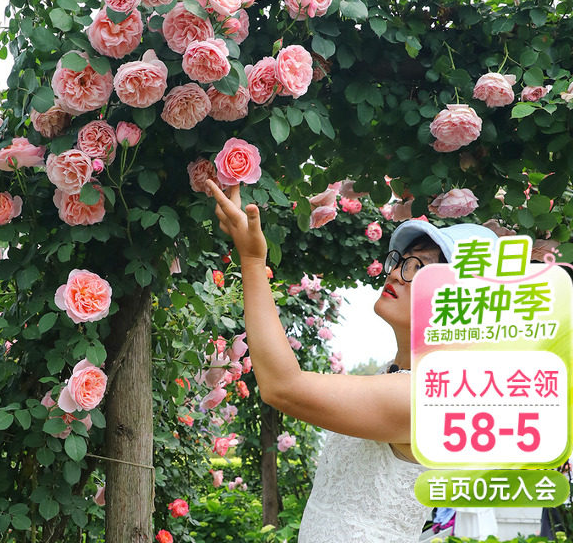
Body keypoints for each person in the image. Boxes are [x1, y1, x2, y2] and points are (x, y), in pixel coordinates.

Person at [207, 180, 498, 543]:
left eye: (419, 269)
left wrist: (252, 261)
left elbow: (283, 387)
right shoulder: (396, 378)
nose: (394, 273)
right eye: (401, 261)